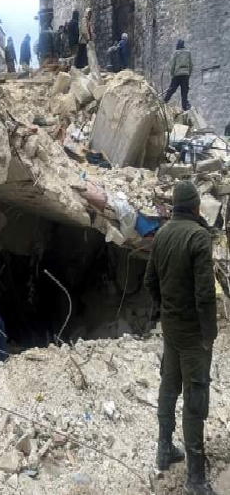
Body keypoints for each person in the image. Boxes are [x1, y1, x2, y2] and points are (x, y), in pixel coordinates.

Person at [144, 180, 218, 495]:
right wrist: (209, 333)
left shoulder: (161, 234)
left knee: (169, 385)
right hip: (193, 333)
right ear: (195, 206)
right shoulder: (198, 236)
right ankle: (196, 478)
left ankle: (164, 450)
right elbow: (205, 294)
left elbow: (149, 281)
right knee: (195, 397)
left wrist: (165, 309)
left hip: (171, 328)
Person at [164, 39, 193, 111]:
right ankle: (185, 107)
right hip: (185, 75)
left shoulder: (176, 53)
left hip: (177, 74)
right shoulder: (188, 53)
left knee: (171, 89)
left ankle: (164, 101)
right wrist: (188, 74)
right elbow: (191, 65)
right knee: (184, 92)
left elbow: (172, 64)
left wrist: (172, 74)